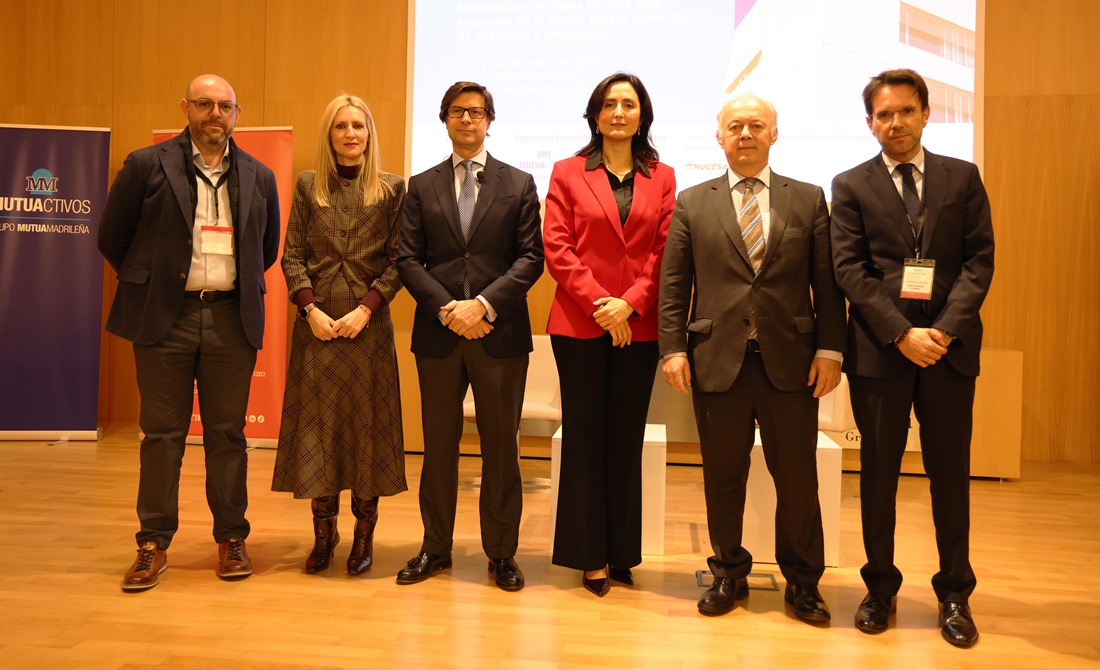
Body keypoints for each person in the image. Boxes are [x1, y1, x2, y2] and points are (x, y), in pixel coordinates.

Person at [658, 93, 846, 621]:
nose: (745, 134)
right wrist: (672, 348)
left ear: (774, 134)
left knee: (798, 477)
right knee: (722, 475)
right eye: (735, 126)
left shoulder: (808, 199)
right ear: (719, 136)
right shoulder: (694, 201)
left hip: (792, 360)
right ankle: (729, 574)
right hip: (716, 359)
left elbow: (827, 286)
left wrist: (831, 349)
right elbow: (674, 286)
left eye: (756, 125)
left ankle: (804, 583)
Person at [830, 68, 994, 648]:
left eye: (904, 111)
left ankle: (954, 593)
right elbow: (850, 270)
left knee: (950, 475)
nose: (894, 122)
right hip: (882, 352)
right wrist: (902, 333)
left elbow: (979, 262)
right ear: (869, 122)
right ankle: (879, 587)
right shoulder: (849, 185)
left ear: (926, 114)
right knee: (877, 475)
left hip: (949, 353)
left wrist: (944, 332)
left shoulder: (962, 177)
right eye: (882, 114)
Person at [98, 74, 281, 592]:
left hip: (230, 317)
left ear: (237, 114)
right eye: (204, 104)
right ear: (185, 108)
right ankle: (152, 544)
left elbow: (265, 249)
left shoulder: (258, 174)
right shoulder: (145, 165)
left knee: (228, 435)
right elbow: (114, 236)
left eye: (224, 106)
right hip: (165, 319)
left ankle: (231, 538)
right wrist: (151, 284)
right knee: (161, 436)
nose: (214, 114)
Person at [395, 81, 543, 592]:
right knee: (438, 447)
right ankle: (434, 548)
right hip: (439, 335)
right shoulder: (421, 184)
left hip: (498, 333)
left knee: (501, 448)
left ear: (489, 120)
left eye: (477, 112)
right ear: (445, 118)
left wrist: (482, 306)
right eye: (458, 112)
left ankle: (501, 554)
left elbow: (531, 259)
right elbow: (406, 259)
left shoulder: (519, 183)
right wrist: (447, 309)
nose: (468, 120)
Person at [542, 72, 675, 598]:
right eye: (609, 104)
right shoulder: (567, 172)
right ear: (595, 114)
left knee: (625, 440)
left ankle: (621, 552)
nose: (619, 112)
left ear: (642, 114)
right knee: (583, 438)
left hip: (637, 329)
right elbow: (558, 247)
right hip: (579, 326)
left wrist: (632, 303)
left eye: (629, 103)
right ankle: (588, 555)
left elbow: (665, 252)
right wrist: (605, 306)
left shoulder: (662, 177)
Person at [271, 94, 407, 576]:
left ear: (370, 134)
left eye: (359, 126)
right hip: (318, 328)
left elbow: (398, 263)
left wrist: (367, 310)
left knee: (365, 430)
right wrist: (309, 310)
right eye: (341, 127)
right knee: (319, 431)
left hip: (367, 329)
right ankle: (323, 537)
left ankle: (363, 538)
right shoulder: (309, 187)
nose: (351, 134)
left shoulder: (393, 190)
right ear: (329, 135)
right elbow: (292, 256)